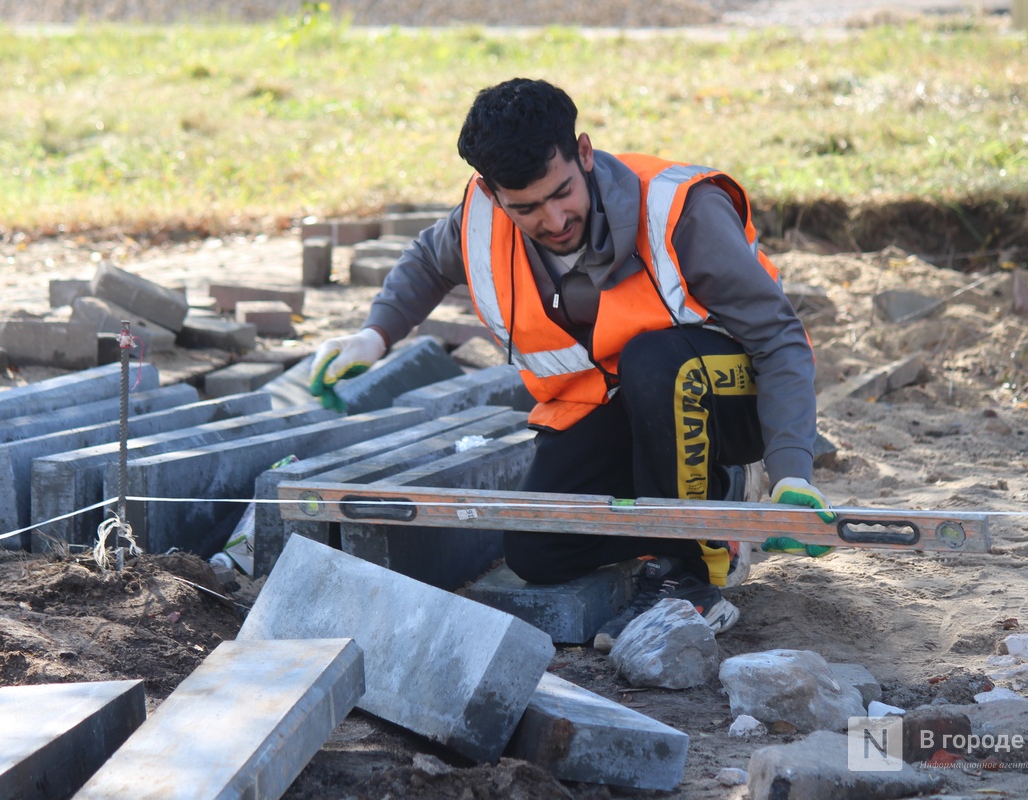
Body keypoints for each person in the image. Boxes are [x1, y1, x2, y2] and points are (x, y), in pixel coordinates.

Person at [309, 78, 835, 652]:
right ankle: (698, 502)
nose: (553, 219)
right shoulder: (483, 220)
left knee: (655, 358)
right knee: (538, 550)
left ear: (584, 153)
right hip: (623, 404)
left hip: (732, 401)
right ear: (492, 192)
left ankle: (691, 571)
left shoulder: (680, 211)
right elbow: (427, 261)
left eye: (562, 193)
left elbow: (780, 339)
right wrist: (373, 335)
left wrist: (791, 472)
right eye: (526, 207)